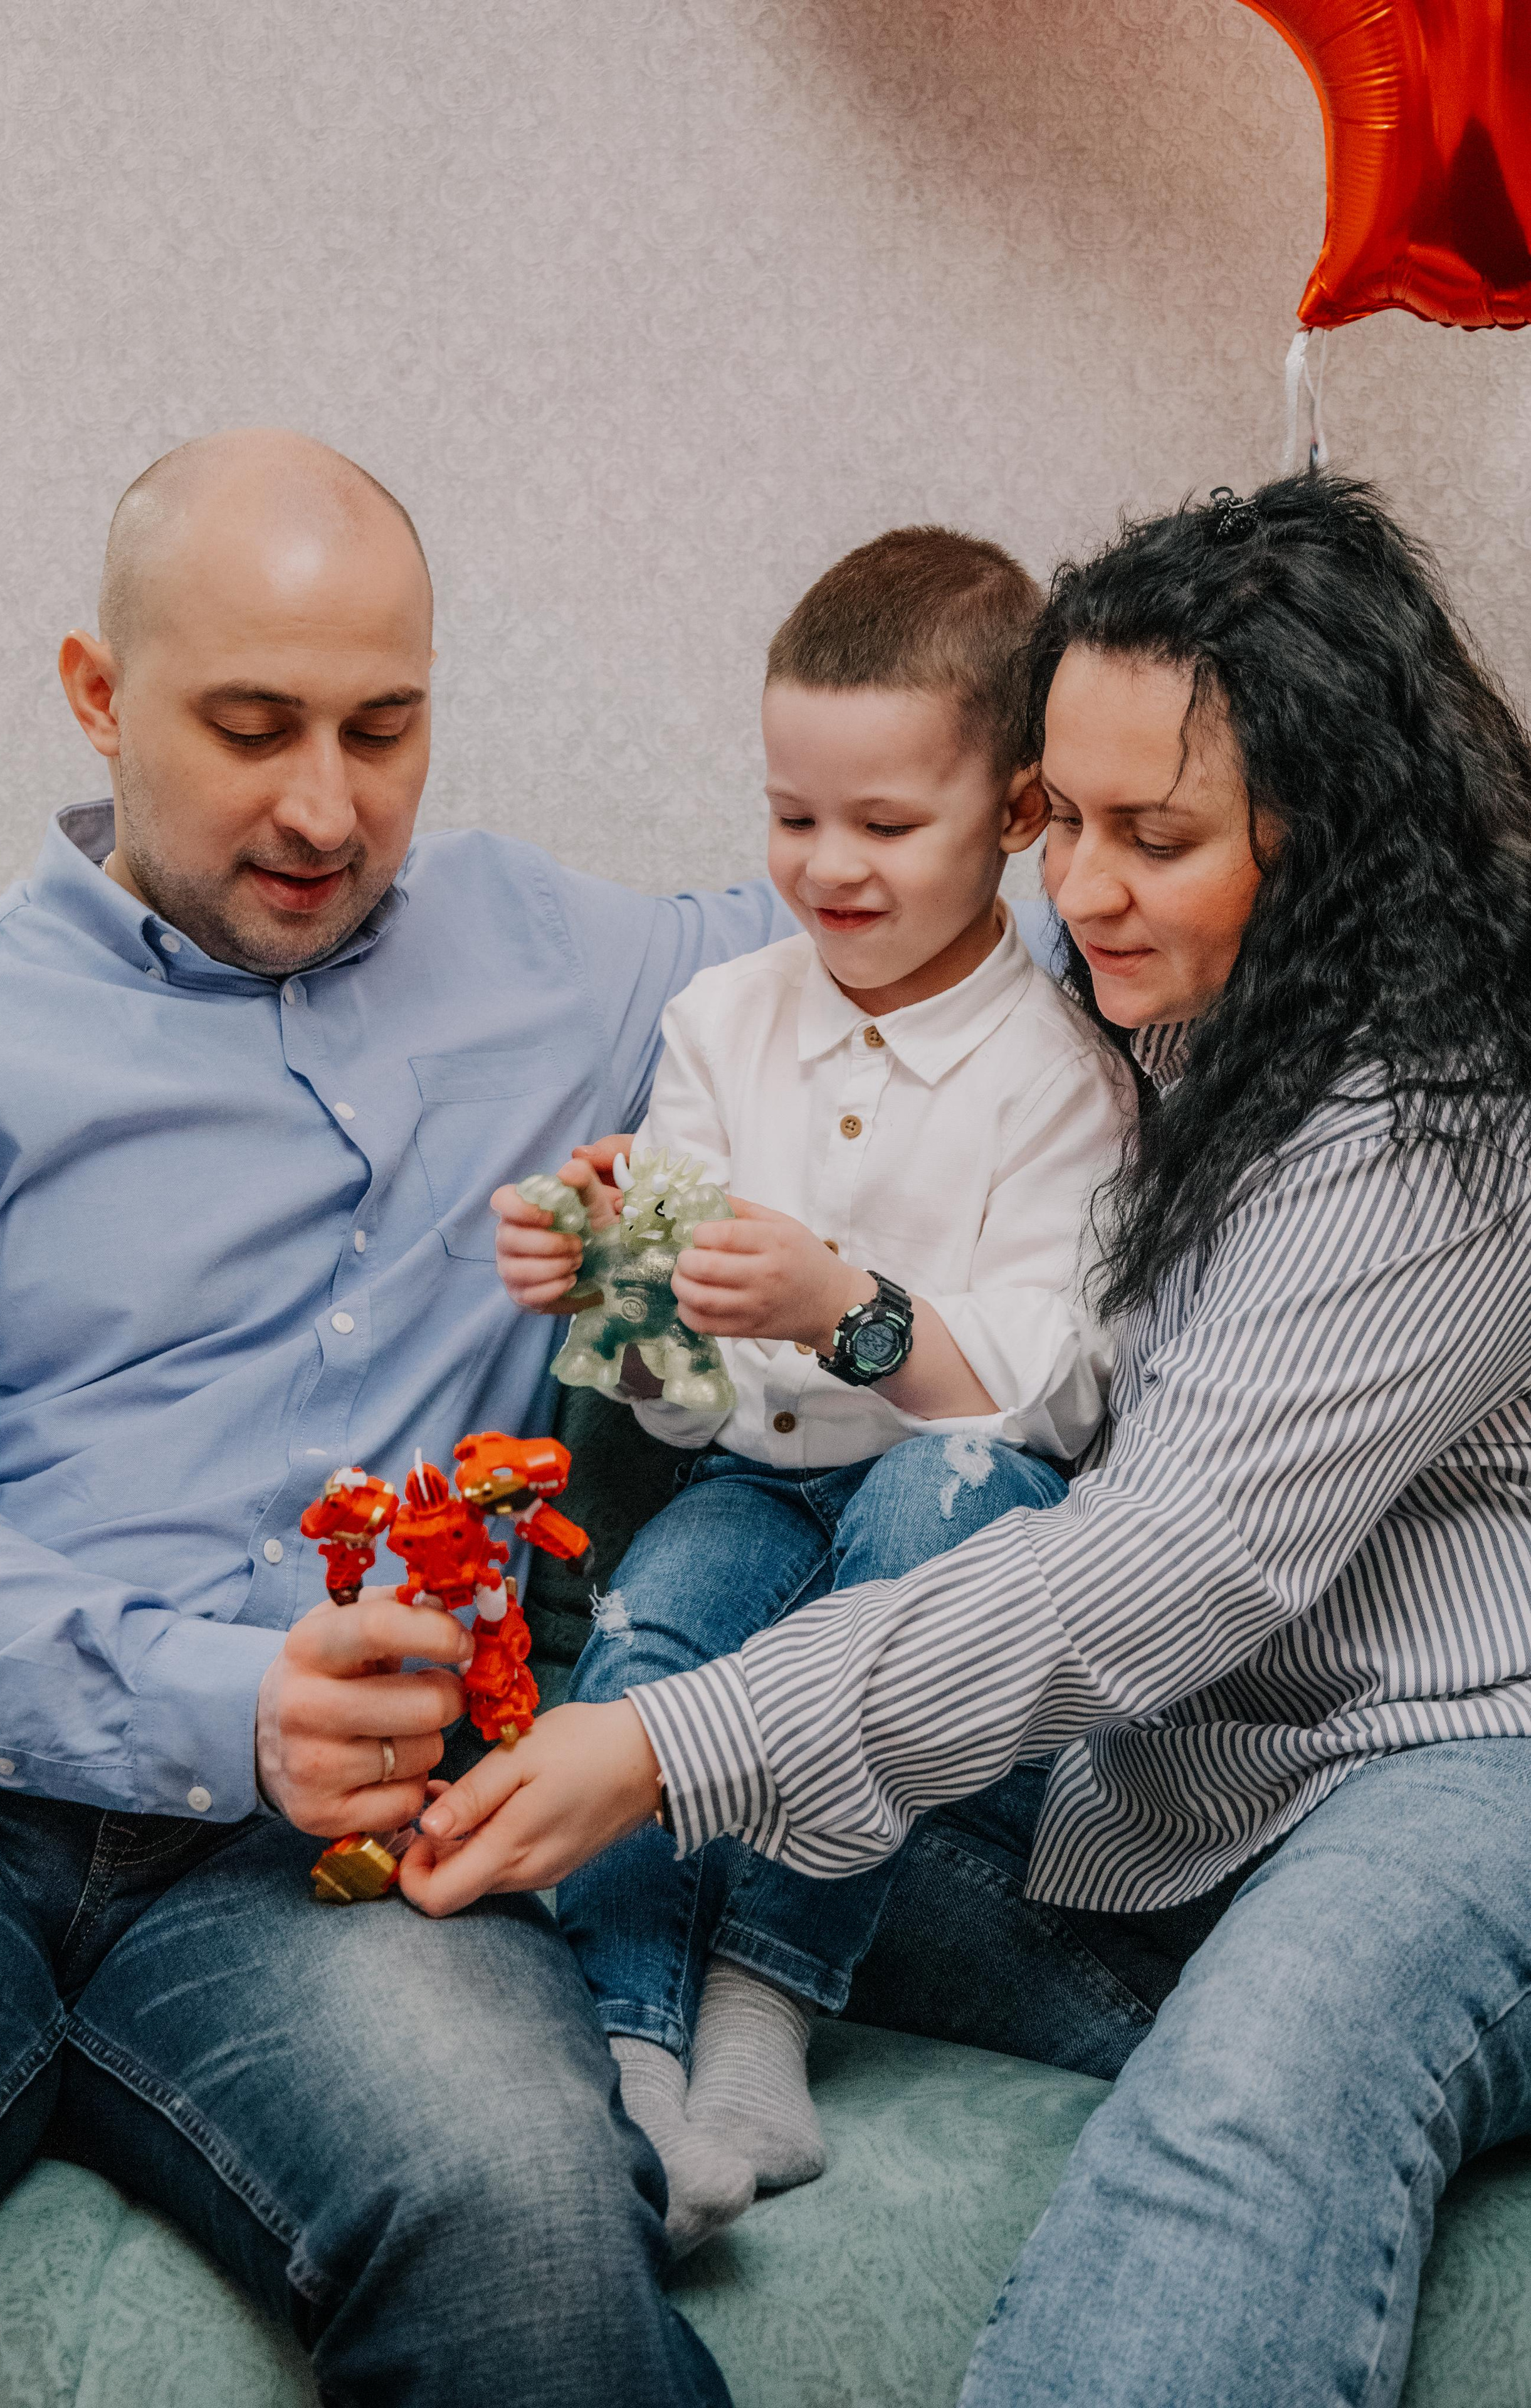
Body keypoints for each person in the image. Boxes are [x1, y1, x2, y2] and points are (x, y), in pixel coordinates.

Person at [403, 473, 1531, 2408]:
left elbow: (1156, 1566)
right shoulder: (1173, 1025)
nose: (1075, 888)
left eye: (1150, 837)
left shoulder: (1441, 1122)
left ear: (1327, 831)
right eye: (1063, 820)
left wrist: (677, 1743)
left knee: (1251, 2095)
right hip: (1178, 1783)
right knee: (615, 1812)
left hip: (1455, 1765)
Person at [0, 427, 789, 2408]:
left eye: (384, 730)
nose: (328, 807)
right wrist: (234, 1703)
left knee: (537, 2237)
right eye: (253, 727)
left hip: (349, 1867)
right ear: (96, 694)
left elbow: (902, 912)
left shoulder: (548, 946)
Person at [490, 527, 1130, 2252]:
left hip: (955, 1514)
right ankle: (632, 2045)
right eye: (793, 817)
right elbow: (691, 1409)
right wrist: (609, 1288)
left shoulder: (1060, 1071)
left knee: (939, 1498)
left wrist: (851, 1309)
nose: (825, 868)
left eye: (884, 825)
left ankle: (771, 2003)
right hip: (755, 1481)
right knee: (651, 1626)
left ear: (1012, 815)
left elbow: (1059, 1396)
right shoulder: (723, 1023)